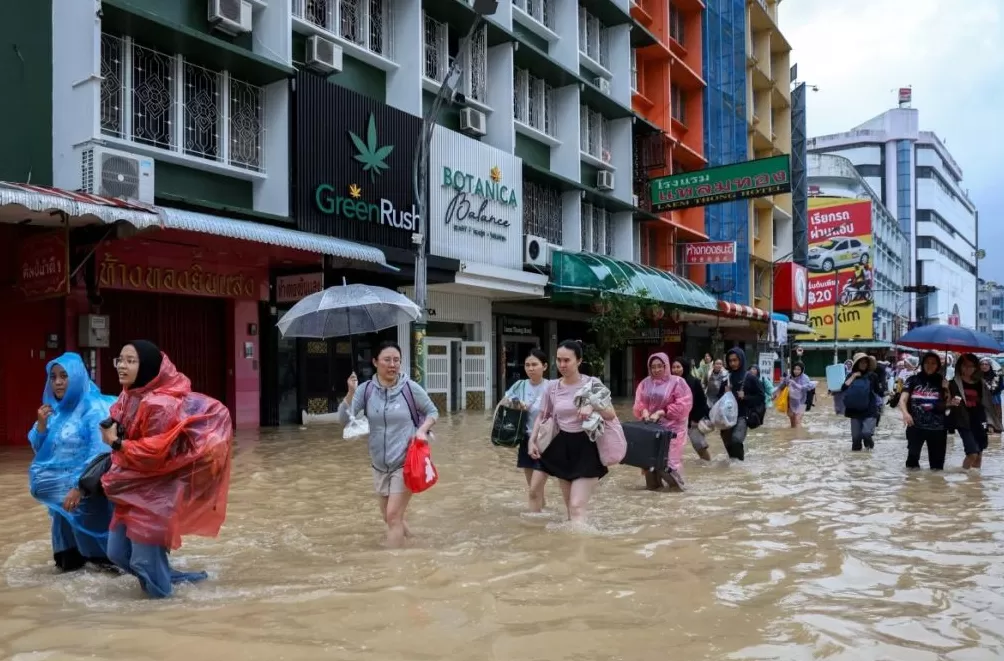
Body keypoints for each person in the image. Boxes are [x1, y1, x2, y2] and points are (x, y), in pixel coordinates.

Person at [101, 340, 233, 598]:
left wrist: (116, 442)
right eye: (120, 359)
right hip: (131, 489)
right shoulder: (128, 395)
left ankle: (164, 608)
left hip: (156, 495)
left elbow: (154, 456)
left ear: (147, 367)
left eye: (131, 361)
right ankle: (177, 580)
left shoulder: (160, 404)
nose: (122, 366)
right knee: (117, 554)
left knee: (144, 561)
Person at [340, 341, 439, 548]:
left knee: (393, 516)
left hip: (405, 462)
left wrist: (421, 430)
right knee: (389, 516)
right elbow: (344, 420)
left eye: (396, 360)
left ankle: (394, 563)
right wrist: (350, 393)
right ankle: (416, 543)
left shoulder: (410, 388)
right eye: (387, 360)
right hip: (379, 465)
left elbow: (433, 411)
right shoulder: (365, 390)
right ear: (375, 362)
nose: (392, 364)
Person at [28, 352, 117, 572]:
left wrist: (79, 486)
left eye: (64, 376)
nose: (57, 382)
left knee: (103, 569)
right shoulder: (54, 411)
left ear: (77, 376)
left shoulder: (93, 408)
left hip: (86, 495)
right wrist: (41, 426)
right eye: (53, 377)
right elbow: (41, 451)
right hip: (61, 504)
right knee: (67, 567)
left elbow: (100, 452)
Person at [529, 340, 616, 523]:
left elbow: (611, 414)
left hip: (587, 447)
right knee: (570, 506)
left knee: (576, 506)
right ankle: (572, 539)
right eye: (559, 360)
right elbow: (543, 416)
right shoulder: (552, 387)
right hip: (563, 447)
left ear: (579, 361)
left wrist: (592, 406)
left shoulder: (593, 383)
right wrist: (532, 440)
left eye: (567, 360)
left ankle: (582, 540)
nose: (562, 365)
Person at [632, 353, 693, 490]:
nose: (656, 370)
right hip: (650, 429)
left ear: (666, 366)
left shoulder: (677, 382)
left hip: (672, 431)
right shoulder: (645, 383)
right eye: (653, 367)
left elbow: (684, 404)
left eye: (660, 366)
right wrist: (644, 411)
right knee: (649, 464)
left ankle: (678, 491)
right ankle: (654, 496)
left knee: (667, 465)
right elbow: (639, 402)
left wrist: (662, 412)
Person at [500, 348, 551, 512]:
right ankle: (542, 512)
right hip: (525, 439)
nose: (530, 368)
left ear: (544, 366)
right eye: (527, 365)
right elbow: (504, 403)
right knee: (533, 488)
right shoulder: (519, 385)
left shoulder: (551, 387)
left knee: (534, 490)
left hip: (545, 441)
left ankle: (535, 519)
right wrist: (519, 405)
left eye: (534, 365)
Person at [899, 352, 950, 471]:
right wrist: (905, 414)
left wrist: (947, 388)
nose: (930, 365)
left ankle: (934, 483)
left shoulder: (942, 381)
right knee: (912, 462)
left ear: (938, 365)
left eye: (933, 363)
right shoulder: (913, 380)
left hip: (938, 428)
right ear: (922, 364)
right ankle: (912, 482)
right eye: (927, 362)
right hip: (915, 425)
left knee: (937, 466)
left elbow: (948, 404)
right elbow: (903, 399)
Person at [949, 353, 996, 469]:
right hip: (963, 421)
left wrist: (990, 423)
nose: (968, 368)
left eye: (971, 366)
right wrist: (945, 388)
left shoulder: (980, 383)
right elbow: (947, 401)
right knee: (972, 453)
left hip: (979, 420)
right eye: (965, 365)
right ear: (960, 366)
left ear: (976, 367)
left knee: (979, 454)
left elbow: (987, 404)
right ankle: (962, 476)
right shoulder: (953, 383)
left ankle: (974, 478)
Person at [720, 348, 765, 461]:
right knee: (729, 445)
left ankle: (740, 466)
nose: (732, 363)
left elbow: (761, 397)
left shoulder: (750, 378)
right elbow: (718, 398)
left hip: (742, 416)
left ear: (741, 360)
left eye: (735, 360)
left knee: (736, 440)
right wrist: (724, 393)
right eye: (730, 361)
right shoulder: (726, 378)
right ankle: (734, 468)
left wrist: (745, 397)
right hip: (727, 417)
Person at [841, 353, 884, 451]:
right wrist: (853, 376)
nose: (864, 364)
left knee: (866, 433)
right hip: (854, 410)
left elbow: (878, 391)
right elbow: (843, 388)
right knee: (856, 440)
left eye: (865, 362)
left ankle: (869, 450)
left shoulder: (873, 376)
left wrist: (888, 393)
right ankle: (858, 459)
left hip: (869, 409)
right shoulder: (851, 375)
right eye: (861, 362)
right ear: (857, 364)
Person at [672, 357, 712, 461]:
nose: (675, 370)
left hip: (693, 421)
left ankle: (708, 465)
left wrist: (696, 419)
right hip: (676, 421)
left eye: (678, 367)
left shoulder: (694, 382)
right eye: (673, 367)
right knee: (673, 447)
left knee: (699, 446)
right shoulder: (671, 384)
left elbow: (703, 402)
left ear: (684, 367)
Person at [776, 362, 815, 428]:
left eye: (798, 369)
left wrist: (795, 384)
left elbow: (809, 387)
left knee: (797, 420)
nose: (796, 371)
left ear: (802, 370)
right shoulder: (789, 377)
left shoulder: (805, 378)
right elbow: (781, 386)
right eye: (795, 369)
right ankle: (793, 434)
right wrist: (776, 395)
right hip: (790, 402)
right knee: (792, 421)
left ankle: (798, 434)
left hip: (802, 402)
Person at [979, 358, 1003, 433]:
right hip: (982, 398)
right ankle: (987, 426)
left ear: (990, 365)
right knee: (983, 412)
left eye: (986, 364)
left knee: (996, 413)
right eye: (982, 364)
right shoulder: (977, 376)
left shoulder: (996, 375)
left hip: (994, 398)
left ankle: (996, 427)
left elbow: (1001, 386)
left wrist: (993, 391)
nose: (984, 366)